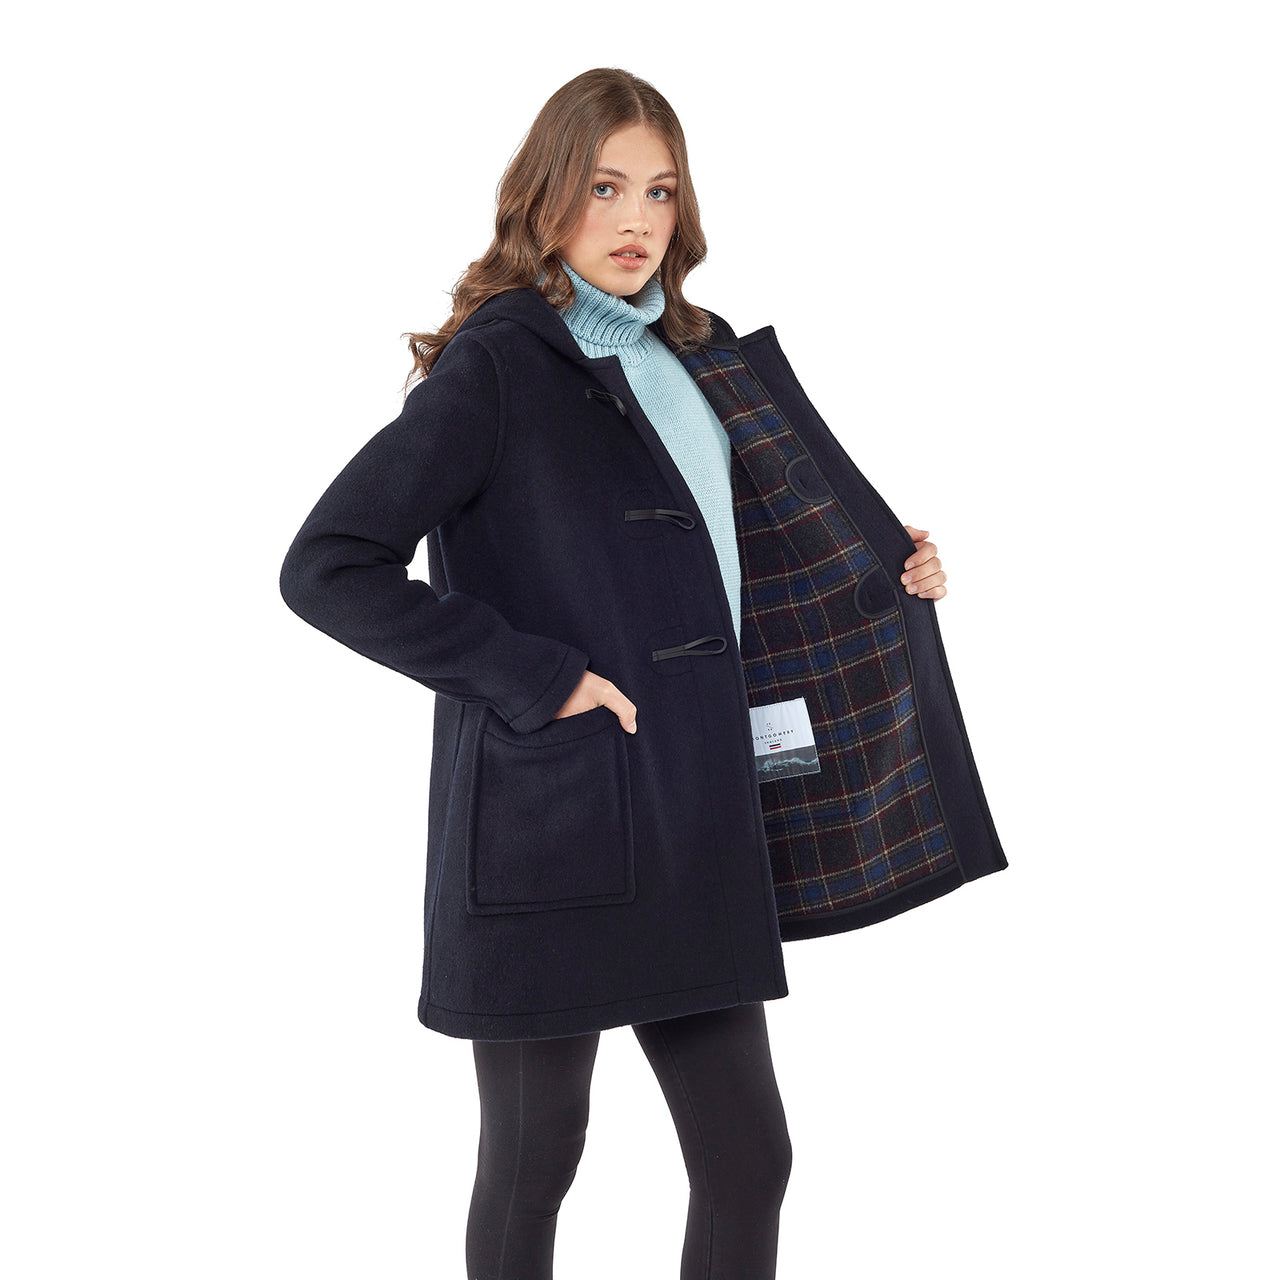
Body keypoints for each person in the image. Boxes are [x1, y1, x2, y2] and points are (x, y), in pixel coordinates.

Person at [280, 67, 1004, 1280]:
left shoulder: (696, 354)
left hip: (690, 812)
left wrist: (887, 563)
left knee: (747, 1157)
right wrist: (535, 675)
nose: (635, 220)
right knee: (535, 1155)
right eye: (605, 187)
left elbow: (746, 545)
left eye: (659, 192)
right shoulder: (497, 365)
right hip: (551, 822)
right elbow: (326, 565)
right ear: (546, 196)